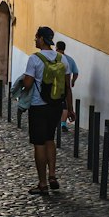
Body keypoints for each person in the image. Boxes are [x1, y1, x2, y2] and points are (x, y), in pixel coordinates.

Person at [20, 26, 64, 194]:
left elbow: (28, 83)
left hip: (39, 106)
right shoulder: (62, 58)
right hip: (56, 106)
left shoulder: (34, 59)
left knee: (39, 143)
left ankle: (43, 183)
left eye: (36, 37)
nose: (35, 40)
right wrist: (70, 108)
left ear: (41, 39)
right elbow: (67, 86)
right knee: (50, 139)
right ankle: (52, 175)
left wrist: (23, 82)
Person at [55, 40, 79, 132]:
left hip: (53, 85)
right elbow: (76, 72)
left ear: (56, 47)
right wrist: (73, 81)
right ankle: (63, 124)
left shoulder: (53, 58)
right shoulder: (70, 59)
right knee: (64, 105)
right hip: (65, 85)